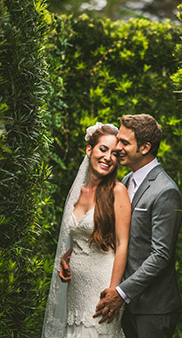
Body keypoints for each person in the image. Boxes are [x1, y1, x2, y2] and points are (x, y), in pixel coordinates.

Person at [94, 114, 182, 338]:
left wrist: (122, 292)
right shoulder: (125, 182)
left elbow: (161, 254)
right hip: (127, 306)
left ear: (145, 147)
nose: (117, 147)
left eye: (125, 142)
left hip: (153, 309)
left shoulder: (165, 190)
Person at [42, 123, 131, 338]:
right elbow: (80, 234)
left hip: (102, 285)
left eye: (114, 154)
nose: (108, 157)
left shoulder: (117, 191)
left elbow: (122, 244)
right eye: (103, 149)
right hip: (75, 288)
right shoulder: (76, 191)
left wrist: (114, 291)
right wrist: (67, 256)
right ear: (89, 150)